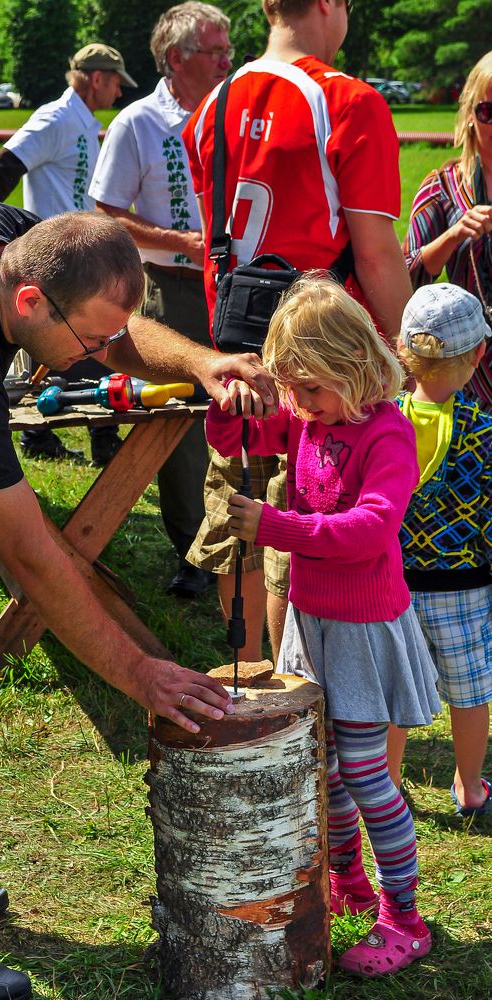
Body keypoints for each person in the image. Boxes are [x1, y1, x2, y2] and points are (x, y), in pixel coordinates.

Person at [0, 201, 275, 999]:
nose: (104, 359)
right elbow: (32, 557)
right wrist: (141, 674)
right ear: (28, 304)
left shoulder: (21, 242)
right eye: (92, 346)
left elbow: (115, 317)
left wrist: (203, 362)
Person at [208, 276, 440, 977]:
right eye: (291, 390)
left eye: (309, 388)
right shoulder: (311, 419)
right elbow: (247, 433)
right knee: (328, 770)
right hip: (311, 622)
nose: (299, 405)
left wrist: (276, 526)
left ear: (352, 365)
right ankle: (346, 884)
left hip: (364, 628)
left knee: (369, 776)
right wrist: (232, 410)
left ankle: (404, 917)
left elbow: (371, 530)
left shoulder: (387, 433)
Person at [182, 0, 413, 660]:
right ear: (329, 4)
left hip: (237, 357)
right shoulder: (347, 100)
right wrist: (408, 359)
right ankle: (304, 702)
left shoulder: (214, 107)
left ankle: (248, 674)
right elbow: (373, 252)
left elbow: (213, 243)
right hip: (327, 365)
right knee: (301, 526)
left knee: (237, 516)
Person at [89, 2, 233, 598]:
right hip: (170, 289)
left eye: (230, 49)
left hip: (230, 284)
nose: (229, 61)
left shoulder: (235, 113)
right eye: (216, 52)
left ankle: (249, 537)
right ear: (176, 59)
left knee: (238, 405)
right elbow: (107, 215)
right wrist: (181, 242)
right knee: (183, 421)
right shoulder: (137, 124)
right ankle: (196, 551)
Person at [0, 43, 138, 466]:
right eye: (117, 81)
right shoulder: (56, 118)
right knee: (82, 339)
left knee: (86, 338)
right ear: (97, 78)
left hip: (80, 249)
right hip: (53, 253)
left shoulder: (82, 122)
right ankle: (69, 434)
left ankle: (72, 435)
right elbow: (2, 166)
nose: (119, 91)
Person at [390, 284, 491, 818]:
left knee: (397, 689)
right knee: (470, 691)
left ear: (403, 351)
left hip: (393, 585)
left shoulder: (385, 421)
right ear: (479, 354)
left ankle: (385, 784)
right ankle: (469, 786)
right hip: (465, 589)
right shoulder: (484, 430)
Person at [404, 51, 492, 409]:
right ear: (470, 115)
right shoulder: (441, 186)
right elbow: (406, 279)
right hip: (462, 367)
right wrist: (454, 234)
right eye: (489, 112)